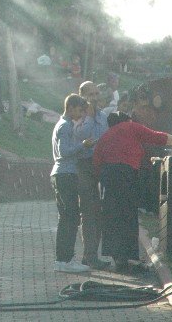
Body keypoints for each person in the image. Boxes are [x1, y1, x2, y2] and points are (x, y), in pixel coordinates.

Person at [92, 111, 172, 273]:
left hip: (107, 178)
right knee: (128, 215)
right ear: (127, 120)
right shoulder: (130, 126)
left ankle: (117, 257)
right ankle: (127, 257)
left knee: (112, 216)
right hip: (126, 175)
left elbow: (96, 161)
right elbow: (156, 137)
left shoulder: (105, 136)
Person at [50, 93, 92, 273]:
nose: (82, 114)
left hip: (60, 174)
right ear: (71, 107)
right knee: (72, 217)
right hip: (66, 174)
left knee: (65, 218)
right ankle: (67, 259)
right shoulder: (66, 126)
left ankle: (62, 259)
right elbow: (64, 151)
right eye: (80, 110)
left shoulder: (61, 125)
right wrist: (84, 145)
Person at [73, 80, 107, 269]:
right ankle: (89, 256)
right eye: (90, 95)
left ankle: (94, 254)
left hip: (100, 166)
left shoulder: (103, 116)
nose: (94, 98)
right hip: (84, 166)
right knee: (88, 211)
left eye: (96, 94)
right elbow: (80, 136)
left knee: (99, 211)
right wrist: (89, 116)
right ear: (82, 96)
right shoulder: (79, 117)